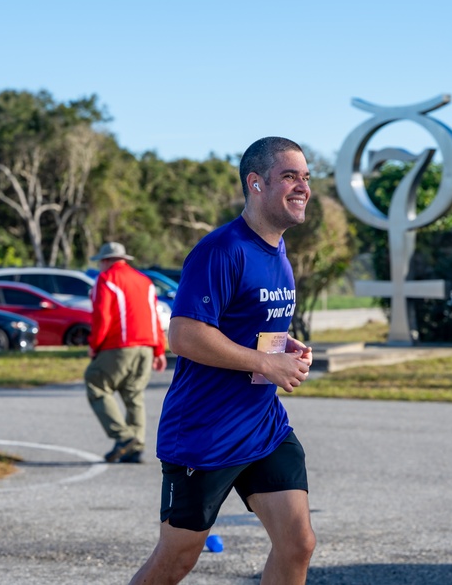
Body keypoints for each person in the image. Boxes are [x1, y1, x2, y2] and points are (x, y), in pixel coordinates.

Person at [129, 137, 315, 584]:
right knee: (177, 558)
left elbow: (247, 326)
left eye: (306, 177)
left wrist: (282, 348)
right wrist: (266, 363)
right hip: (204, 434)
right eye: (289, 176)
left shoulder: (279, 253)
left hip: (262, 425)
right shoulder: (222, 249)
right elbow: (184, 333)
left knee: (298, 542)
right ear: (256, 183)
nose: (303, 187)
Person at [84, 241, 167, 464]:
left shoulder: (107, 279)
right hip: (146, 348)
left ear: (106, 260)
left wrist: (95, 345)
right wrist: (159, 349)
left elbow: (102, 317)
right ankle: (135, 447)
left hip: (120, 346)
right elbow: (154, 316)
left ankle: (124, 437)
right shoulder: (145, 281)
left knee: (95, 382)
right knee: (133, 395)